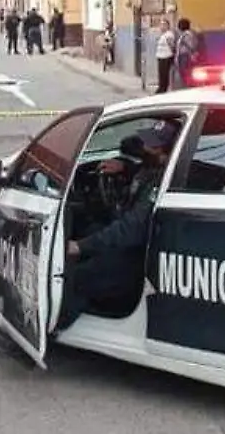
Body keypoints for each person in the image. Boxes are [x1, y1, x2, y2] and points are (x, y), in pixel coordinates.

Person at [57, 120, 179, 331]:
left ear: (164, 153)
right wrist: (126, 168)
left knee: (75, 279)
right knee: (91, 228)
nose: (144, 146)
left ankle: (54, 328)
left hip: (136, 258)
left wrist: (81, 246)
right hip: (131, 245)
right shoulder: (158, 168)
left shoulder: (161, 182)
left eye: (152, 144)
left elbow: (132, 228)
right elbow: (146, 171)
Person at [174, 18, 200, 88]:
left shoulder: (187, 34)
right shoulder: (184, 34)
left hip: (185, 56)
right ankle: (187, 85)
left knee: (185, 73)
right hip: (183, 55)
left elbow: (190, 46)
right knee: (183, 73)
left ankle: (188, 86)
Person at [154, 18, 175, 93]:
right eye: (161, 25)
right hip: (161, 57)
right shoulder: (163, 35)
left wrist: (172, 56)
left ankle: (162, 90)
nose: (161, 26)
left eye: (163, 25)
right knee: (161, 75)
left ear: (167, 26)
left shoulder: (169, 35)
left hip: (166, 57)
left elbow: (172, 46)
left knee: (164, 76)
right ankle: (161, 89)